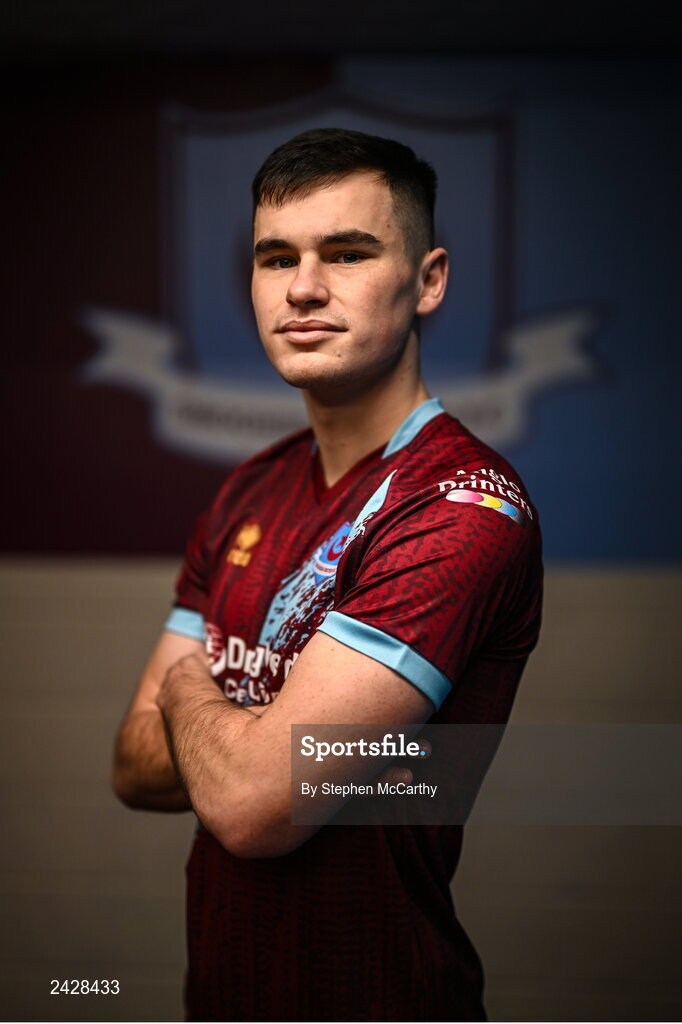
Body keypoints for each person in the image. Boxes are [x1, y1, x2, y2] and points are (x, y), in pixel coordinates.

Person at [112, 127, 543, 1022]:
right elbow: (132, 766)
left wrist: (194, 690)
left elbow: (255, 806)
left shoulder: (461, 505)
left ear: (428, 281)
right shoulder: (250, 485)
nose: (303, 287)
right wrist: (254, 740)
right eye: (277, 257)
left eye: (347, 252)